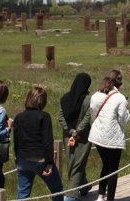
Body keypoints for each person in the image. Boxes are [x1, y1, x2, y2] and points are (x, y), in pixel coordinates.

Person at [13, 86, 64, 201]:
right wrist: (49, 162)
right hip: (40, 160)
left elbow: (16, 141)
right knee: (57, 188)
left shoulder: (18, 117)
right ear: (43, 101)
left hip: (23, 159)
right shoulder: (44, 116)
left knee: (23, 194)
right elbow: (47, 141)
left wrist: (17, 159)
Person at [88, 70, 130, 201]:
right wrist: (128, 111)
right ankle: (110, 198)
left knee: (106, 165)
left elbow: (93, 112)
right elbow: (124, 119)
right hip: (113, 138)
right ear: (120, 84)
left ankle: (101, 194)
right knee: (113, 169)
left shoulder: (96, 95)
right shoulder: (120, 98)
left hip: (97, 136)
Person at [57, 73, 92, 201]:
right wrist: (76, 132)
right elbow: (87, 118)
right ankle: (71, 195)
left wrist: (70, 131)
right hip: (82, 137)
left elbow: (60, 117)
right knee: (77, 164)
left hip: (68, 136)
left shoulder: (64, 98)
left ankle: (83, 186)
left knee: (73, 162)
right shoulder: (88, 99)